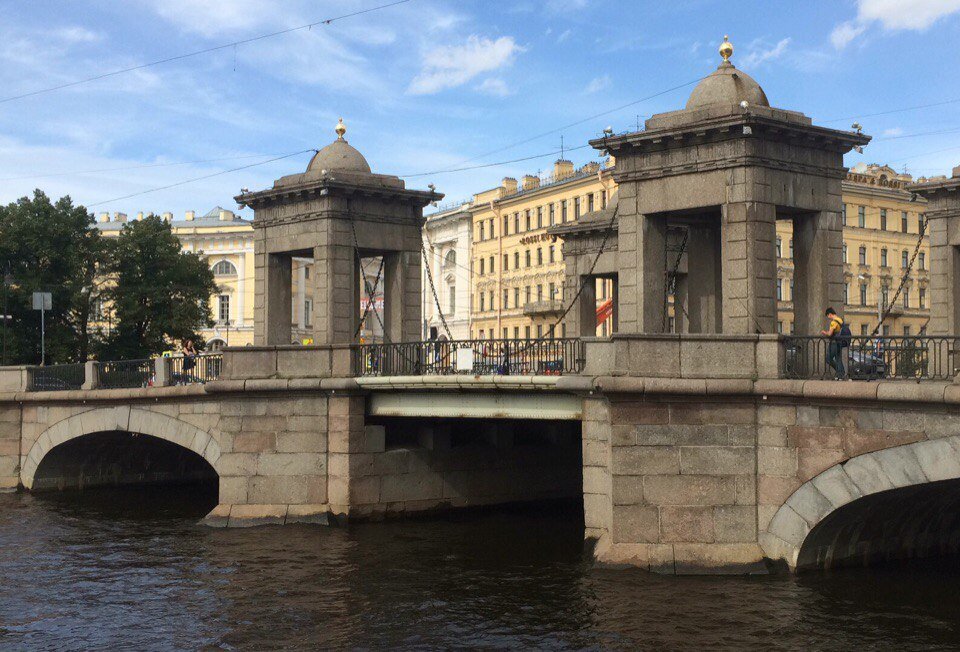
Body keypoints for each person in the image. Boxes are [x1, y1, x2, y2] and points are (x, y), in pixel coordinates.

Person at [820, 307, 848, 379]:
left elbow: (830, 334)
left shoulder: (834, 322)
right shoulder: (840, 320)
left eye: (828, 316)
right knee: (838, 358)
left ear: (830, 314)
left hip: (834, 342)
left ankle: (840, 372)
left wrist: (824, 332)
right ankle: (841, 374)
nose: (828, 318)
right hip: (840, 342)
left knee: (828, 359)